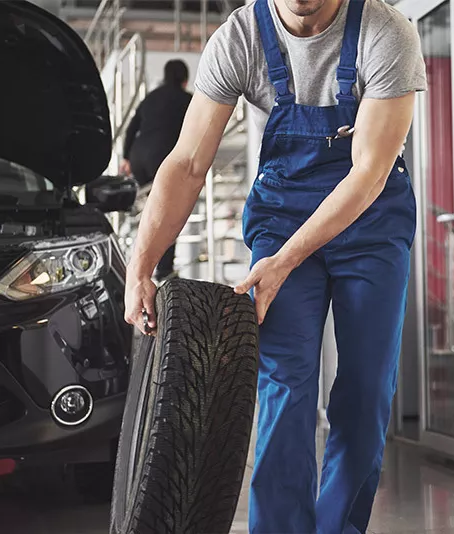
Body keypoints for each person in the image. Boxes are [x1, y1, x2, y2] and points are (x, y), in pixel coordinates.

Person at [123, 0, 426, 532]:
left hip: (371, 221)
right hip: (283, 216)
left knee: (365, 390)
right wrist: (140, 265)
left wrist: (286, 260)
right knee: (285, 384)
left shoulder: (387, 33)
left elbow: (370, 171)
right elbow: (188, 162)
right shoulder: (239, 38)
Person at [120, 59, 193, 281]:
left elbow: (132, 127)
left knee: (150, 212)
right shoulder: (187, 99)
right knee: (169, 211)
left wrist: (126, 157)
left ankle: (139, 265)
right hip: (161, 157)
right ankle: (163, 269)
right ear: (185, 79)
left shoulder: (150, 97)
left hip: (138, 156)